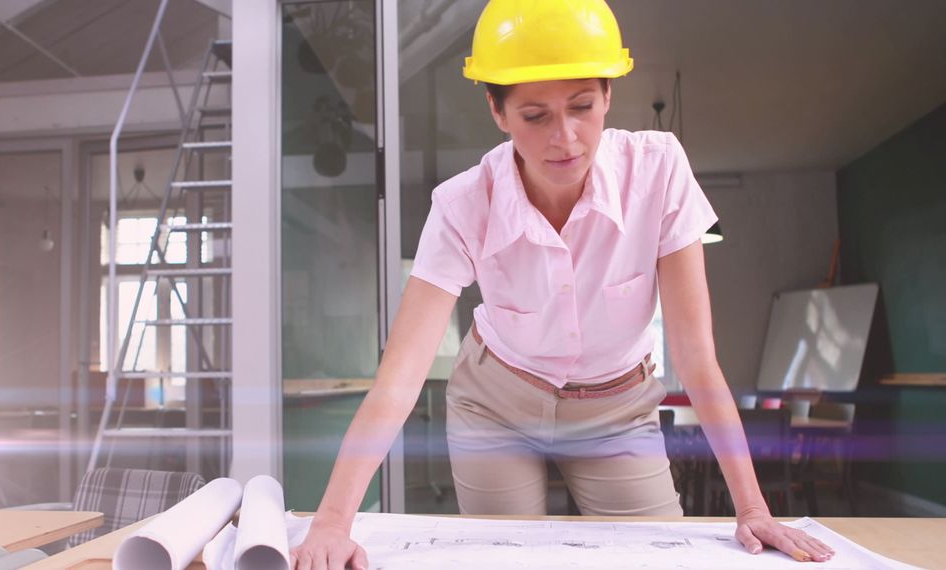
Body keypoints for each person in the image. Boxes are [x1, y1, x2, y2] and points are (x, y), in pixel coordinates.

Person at [291, 1, 835, 568]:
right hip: (496, 404)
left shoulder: (658, 170)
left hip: (618, 408)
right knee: (505, 560)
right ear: (497, 111)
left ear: (607, 96)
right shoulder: (460, 206)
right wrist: (331, 523)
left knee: (659, 559)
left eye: (581, 106)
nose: (566, 137)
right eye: (535, 116)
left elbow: (697, 359)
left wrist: (752, 510)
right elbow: (399, 378)